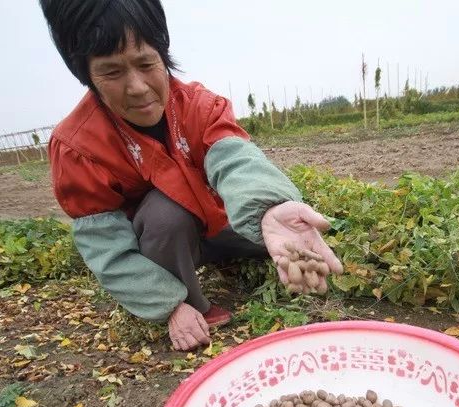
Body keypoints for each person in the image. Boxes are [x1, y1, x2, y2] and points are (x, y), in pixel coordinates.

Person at [40, 0, 342, 351]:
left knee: (272, 231)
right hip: (166, 247)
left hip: (216, 225)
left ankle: (237, 250)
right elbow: (106, 248)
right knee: (165, 214)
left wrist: (270, 208)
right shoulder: (78, 146)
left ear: (163, 55)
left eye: (145, 63)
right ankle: (189, 299)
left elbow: (235, 159)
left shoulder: (198, 105)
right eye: (112, 72)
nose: (137, 87)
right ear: (87, 77)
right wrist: (167, 305)